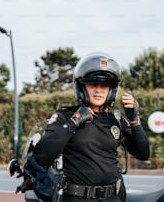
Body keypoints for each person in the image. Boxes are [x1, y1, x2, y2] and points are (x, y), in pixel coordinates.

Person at [29, 52, 150, 202]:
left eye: (104, 85)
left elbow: (143, 153)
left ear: (111, 89)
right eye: (93, 84)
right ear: (81, 86)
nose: (99, 90)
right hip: (77, 197)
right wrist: (73, 123)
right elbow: (41, 157)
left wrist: (134, 119)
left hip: (112, 197)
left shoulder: (116, 119)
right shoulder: (65, 116)